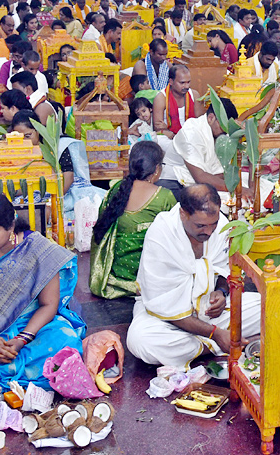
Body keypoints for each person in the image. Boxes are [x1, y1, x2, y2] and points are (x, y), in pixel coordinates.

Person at [126, 184, 262, 369]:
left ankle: (206, 344)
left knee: (267, 306)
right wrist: (214, 334)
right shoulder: (161, 234)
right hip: (165, 319)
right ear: (183, 214)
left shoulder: (219, 225)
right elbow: (163, 305)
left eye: (212, 224)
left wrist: (221, 292)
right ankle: (219, 343)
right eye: (200, 226)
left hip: (210, 312)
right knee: (140, 341)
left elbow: (224, 267)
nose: (208, 231)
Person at [0, 192, 85, 389]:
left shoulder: (36, 248)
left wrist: (21, 340)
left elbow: (48, 304)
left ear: (10, 226)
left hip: (32, 324)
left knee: (65, 340)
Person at [90, 142, 175, 300]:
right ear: (157, 169)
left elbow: (101, 226)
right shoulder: (164, 196)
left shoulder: (117, 189)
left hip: (116, 275)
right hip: (147, 274)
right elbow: (176, 236)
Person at [163, 97, 241, 196]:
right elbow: (200, 177)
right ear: (211, 118)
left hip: (204, 179)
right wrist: (238, 189)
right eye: (224, 126)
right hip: (174, 181)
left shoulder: (220, 133)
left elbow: (222, 170)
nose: (226, 131)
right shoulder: (191, 132)